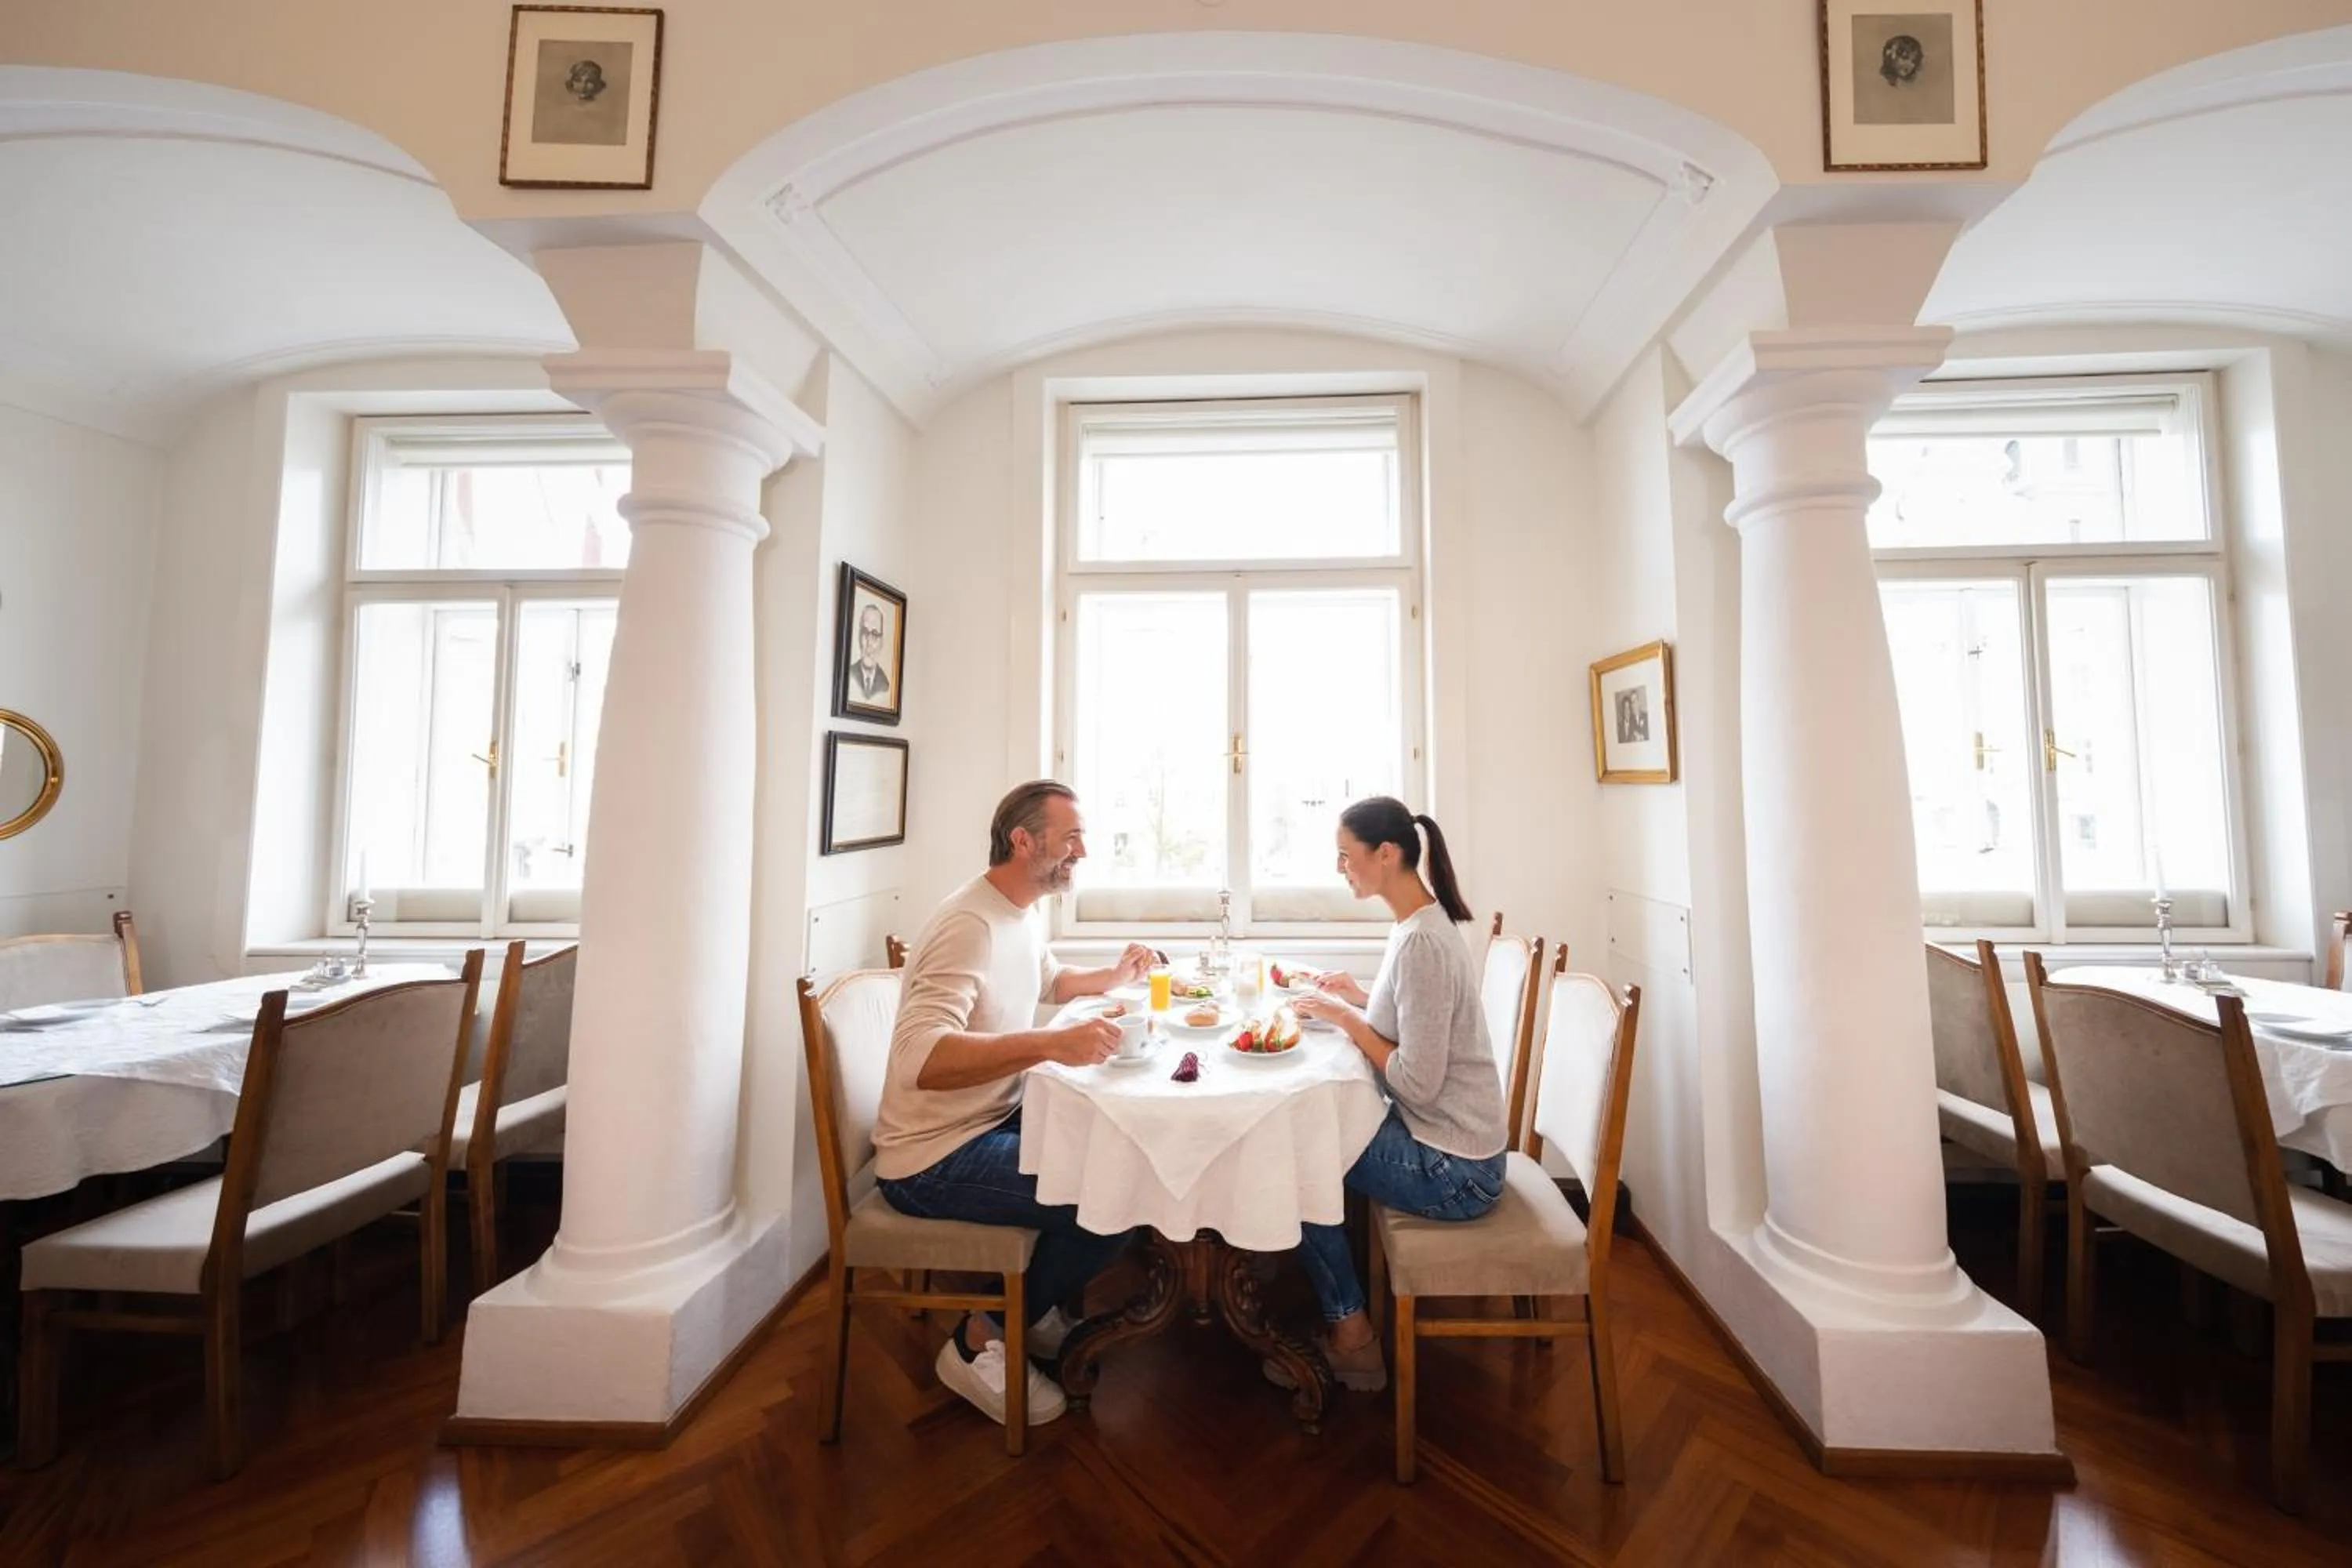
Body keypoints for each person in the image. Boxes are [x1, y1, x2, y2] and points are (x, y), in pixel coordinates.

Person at [872, 779, 1157, 1427]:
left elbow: (1050, 979)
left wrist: (1115, 977)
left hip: (991, 1118)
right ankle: (981, 1338)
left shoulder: (1019, 910)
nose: (1082, 851)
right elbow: (922, 1060)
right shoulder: (968, 924)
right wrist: (1052, 1045)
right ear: (1023, 840)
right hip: (931, 1157)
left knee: (1121, 1149)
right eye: (1071, 839)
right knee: (1113, 1198)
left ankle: (1035, 1302)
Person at [1278, 796, 1508, 1392]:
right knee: (1309, 1129)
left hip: (1456, 1169)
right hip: (1447, 1142)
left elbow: (1416, 1081)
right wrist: (1359, 997)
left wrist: (1346, 1017)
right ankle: (1342, 1313)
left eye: (1344, 856)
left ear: (1386, 854)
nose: (1340, 868)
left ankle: (1351, 1337)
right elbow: (1411, 1023)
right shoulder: (1417, 926)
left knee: (1298, 1152)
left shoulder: (1423, 943)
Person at [851, 603, 893, 703]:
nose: (869, 642)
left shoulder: (885, 685)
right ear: (859, 637)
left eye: (875, 634)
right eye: (865, 632)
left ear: (881, 642)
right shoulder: (850, 674)